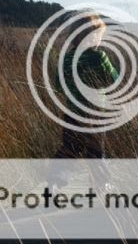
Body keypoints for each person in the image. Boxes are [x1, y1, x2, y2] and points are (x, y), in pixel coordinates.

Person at [50, 11, 119, 188]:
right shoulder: (99, 57)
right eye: (100, 35)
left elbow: (59, 85)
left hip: (72, 113)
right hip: (95, 115)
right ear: (93, 36)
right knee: (95, 152)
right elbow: (113, 79)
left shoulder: (66, 58)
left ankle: (55, 182)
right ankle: (101, 185)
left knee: (70, 149)